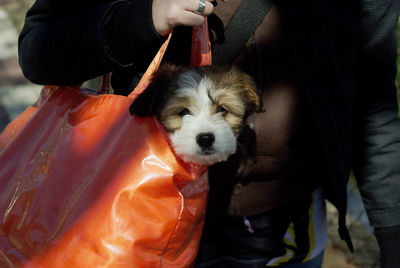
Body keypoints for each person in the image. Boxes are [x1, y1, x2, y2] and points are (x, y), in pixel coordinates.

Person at [17, 0, 400, 267]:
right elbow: (38, 49)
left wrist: (391, 225)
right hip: (136, 216)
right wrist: (142, 19)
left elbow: (372, 101)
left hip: (282, 220)